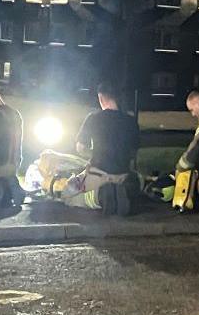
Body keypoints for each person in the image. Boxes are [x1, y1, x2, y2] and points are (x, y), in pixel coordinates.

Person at [56, 82, 139, 216]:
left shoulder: (93, 118)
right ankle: (119, 192)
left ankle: (100, 198)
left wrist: (93, 155)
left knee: (68, 194)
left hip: (99, 174)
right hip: (124, 175)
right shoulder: (131, 121)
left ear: (101, 98)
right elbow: (133, 152)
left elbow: (81, 148)